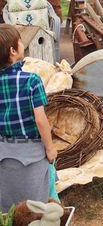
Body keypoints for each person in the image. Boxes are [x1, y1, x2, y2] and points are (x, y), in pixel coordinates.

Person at [0, 24, 57, 212]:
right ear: (13, 50)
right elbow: (41, 120)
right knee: (35, 208)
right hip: (31, 153)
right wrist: (49, 149)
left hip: (3, 153)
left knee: (9, 209)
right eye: (20, 41)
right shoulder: (32, 80)